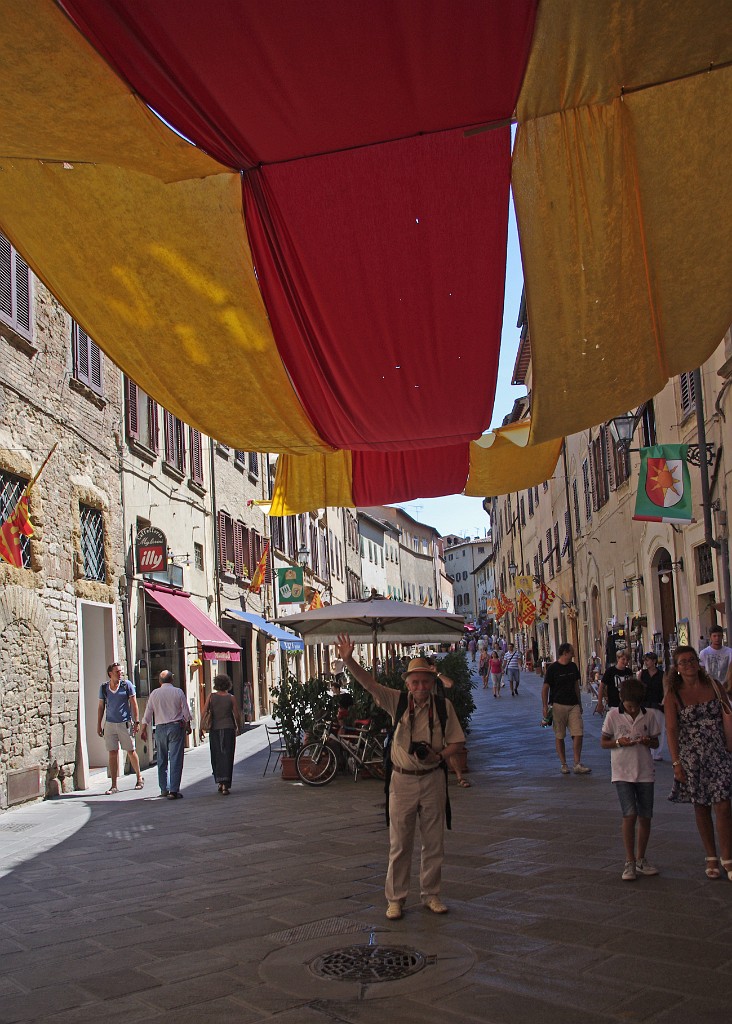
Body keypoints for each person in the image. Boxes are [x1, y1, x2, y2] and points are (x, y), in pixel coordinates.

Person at [334, 634, 465, 919]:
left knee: (433, 842)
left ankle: (431, 894)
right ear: (408, 684)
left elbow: (457, 743)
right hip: (402, 780)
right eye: (415, 682)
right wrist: (348, 660)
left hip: (432, 779)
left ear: (432, 683)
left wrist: (439, 756)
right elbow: (369, 684)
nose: (420, 687)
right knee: (399, 843)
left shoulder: (444, 708)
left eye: (425, 682)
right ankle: (396, 899)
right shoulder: (398, 701)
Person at [664, 646, 732, 880]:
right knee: (701, 806)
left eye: (692, 660)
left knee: (723, 805)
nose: (689, 665)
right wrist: (676, 763)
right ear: (677, 668)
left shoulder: (714, 685)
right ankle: (711, 856)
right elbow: (671, 729)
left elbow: (727, 713)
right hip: (693, 758)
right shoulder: (674, 694)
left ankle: (727, 857)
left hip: (719, 753)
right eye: (683, 662)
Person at [600, 678, 662, 881]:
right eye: (629, 705)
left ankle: (641, 858)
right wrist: (618, 742)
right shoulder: (613, 715)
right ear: (621, 700)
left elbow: (655, 742)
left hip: (645, 771)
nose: (633, 709)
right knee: (630, 814)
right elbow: (604, 742)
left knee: (645, 815)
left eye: (636, 705)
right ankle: (629, 861)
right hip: (621, 772)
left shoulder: (649, 715)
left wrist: (647, 741)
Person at [140, 670, 192, 799]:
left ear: (159, 681)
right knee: (175, 758)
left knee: (161, 759)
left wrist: (143, 728)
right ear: (172, 680)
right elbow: (185, 710)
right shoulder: (178, 692)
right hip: (175, 726)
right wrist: (188, 725)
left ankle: (164, 788)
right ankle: (173, 790)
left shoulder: (154, 694)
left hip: (160, 728)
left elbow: (148, 712)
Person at [542, 643, 591, 775]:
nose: (574, 653)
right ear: (565, 652)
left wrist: (579, 703)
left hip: (573, 704)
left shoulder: (573, 666)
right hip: (558, 705)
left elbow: (576, 686)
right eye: (572, 651)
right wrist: (545, 706)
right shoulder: (553, 669)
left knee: (578, 733)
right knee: (560, 735)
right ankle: (564, 764)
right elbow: (545, 687)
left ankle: (577, 763)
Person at [97, 662, 143, 795]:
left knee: (130, 750)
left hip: (124, 723)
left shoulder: (126, 685)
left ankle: (139, 778)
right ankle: (114, 785)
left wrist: (136, 721)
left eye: (121, 671)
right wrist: (99, 724)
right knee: (112, 752)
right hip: (110, 724)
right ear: (110, 673)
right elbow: (101, 707)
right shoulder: (104, 688)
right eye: (117, 671)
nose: (120, 673)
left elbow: (133, 703)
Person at [200, 675, 242, 795]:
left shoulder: (211, 697)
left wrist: (200, 728)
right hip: (228, 728)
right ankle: (226, 784)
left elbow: (204, 712)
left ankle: (220, 781)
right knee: (228, 756)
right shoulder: (231, 698)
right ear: (228, 684)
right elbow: (237, 714)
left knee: (217, 755)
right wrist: (238, 727)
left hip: (215, 730)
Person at [638, 652, 665, 761]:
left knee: (659, 728)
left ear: (654, 661)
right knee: (645, 728)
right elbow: (638, 687)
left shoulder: (662, 674)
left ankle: (657, 752)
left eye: (648, 660)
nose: (646, 662)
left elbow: (665, 688)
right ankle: (647, 750)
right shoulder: (642, 674)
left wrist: (663, 700)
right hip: (645, 703)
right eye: (645, 660)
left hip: (657, 703)